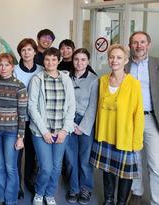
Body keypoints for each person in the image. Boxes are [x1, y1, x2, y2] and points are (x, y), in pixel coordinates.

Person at [89, 44, 144, 205]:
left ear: (126, 60)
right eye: (112, 57)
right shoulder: (103, 80)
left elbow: (138, 114)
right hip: (105, 134)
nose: (115, 60)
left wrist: (136, 141)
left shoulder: (134, 84)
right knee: (108, 170)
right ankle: (108, 200)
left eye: (119, 57)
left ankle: (121, 202)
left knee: (124, 173)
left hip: (124, 135)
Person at [28, 47, 75, 205]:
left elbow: (71, 107)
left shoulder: (66, 79)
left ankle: (50, 194)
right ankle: (39, 193)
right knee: (46, 167)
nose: (50, 62)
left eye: (54, 59)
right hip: (41, 132)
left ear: (59, 60)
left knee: (56, 167)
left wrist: (65, 130)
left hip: (61, 131)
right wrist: (44, 132)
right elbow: (32, 107)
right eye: (47, 59)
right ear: (44, 61)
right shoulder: (37, 79)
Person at [0, 53, 27, 205]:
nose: (3, 68)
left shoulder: (19, 86)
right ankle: (0, 199)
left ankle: (10, 200)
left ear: (12, 66)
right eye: (0, 64)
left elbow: (22, 114)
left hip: (11, 133)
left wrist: (21, 137)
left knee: (10, 167)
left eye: (6, 64)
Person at [125, 31, 159, 205]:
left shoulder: (156, 64)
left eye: (142, 42)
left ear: (149, 44)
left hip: (152, 119)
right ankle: (136, 192)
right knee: (135, 159)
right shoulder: (124, 65)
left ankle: (156, 201)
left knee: (155, 164)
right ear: (130, 45)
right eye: (135, 43)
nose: (139, 46)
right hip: (129, 120)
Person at [64, 48, 98, 204]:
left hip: (86, 122)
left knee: (84, 159)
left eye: (83, 59)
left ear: (88, 61)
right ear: (73, 60)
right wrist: (70, 124)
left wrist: (82, 127)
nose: (79, 62)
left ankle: (85, 189)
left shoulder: (94, 80)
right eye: (76, 59)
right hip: (68, 121)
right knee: (70, 159)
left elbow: (93, 106)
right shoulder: (65, 77)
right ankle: (74, 188)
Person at [13, 38, 42, 197]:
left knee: (32, 153)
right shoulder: (15, 70)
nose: (26, 52)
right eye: (23, 50)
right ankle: (17, 185)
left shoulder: (42, 70)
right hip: (18, 118)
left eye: (29, 49)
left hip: (35, 119)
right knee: (17, 152)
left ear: (35, 52)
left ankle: (29, 180)